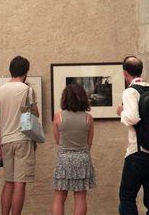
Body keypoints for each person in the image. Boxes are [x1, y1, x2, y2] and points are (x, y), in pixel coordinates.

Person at [0, 56, 39, 215]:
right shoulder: (27, 90)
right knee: (20, 183)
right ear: (26, 71)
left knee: (8, 183)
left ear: (10, 70)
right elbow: (35, 114)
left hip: (5, 141)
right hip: (23, 140)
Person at [51, 83, 96, 215]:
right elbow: (89, 144)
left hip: (64, 159)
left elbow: (58, 141)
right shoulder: (89, 118)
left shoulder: (58, 116)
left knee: (59, 197)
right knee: (80, 197)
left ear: (64, 98)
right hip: (83, 159)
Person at [116, 55, 149, 215]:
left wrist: (122, 112)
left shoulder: (130, 91)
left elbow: (133, 118)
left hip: (137, 153)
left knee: (127, 197)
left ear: (124, 72)